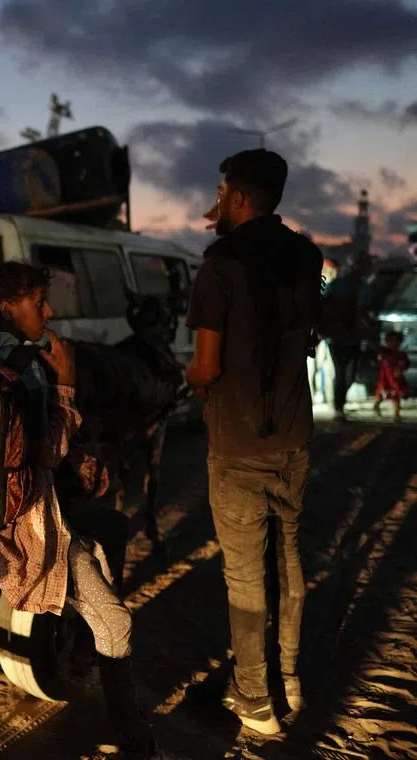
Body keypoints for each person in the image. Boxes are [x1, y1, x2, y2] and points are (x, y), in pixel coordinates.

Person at [0, 262, 158, 759]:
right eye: (38, 300)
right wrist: (68, 386)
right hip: (27, 521)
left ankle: (74, 643)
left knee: (111, 525)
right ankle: (137, 744)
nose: (48, 311)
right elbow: (45, 452)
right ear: (10, 307)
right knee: (117, 623)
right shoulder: (26, 366)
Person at [186, 149, 322, 733]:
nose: (216, 203)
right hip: (293, 438)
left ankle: (255, 700)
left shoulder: (221, 263)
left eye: (221, 192)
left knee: (245, 577)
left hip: (239, 442)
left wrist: (190, 379)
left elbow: (208, 366)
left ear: (239, 198)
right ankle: (289, 680)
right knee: (288, 560)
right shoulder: (305, 254)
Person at [324, 252, 373, 420]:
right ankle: (339, 406)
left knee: (344, 372)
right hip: (345, 336)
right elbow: (364, 312)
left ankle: (339, 405)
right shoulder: (357, 286)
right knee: (346, 372)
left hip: (343, 336)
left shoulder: (338, 284)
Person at [373, 330, 410, 421]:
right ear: (387, 342)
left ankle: (396, 414)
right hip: (385, 378)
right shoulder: (384, 352)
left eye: (396, 341)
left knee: (396, 395)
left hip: (396, 379)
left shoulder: (401, 354)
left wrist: (401, 368)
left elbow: (406, 364)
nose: (394, 343)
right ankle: (376, 405)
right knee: (381, 394)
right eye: (391, 341)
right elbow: (375, 347)